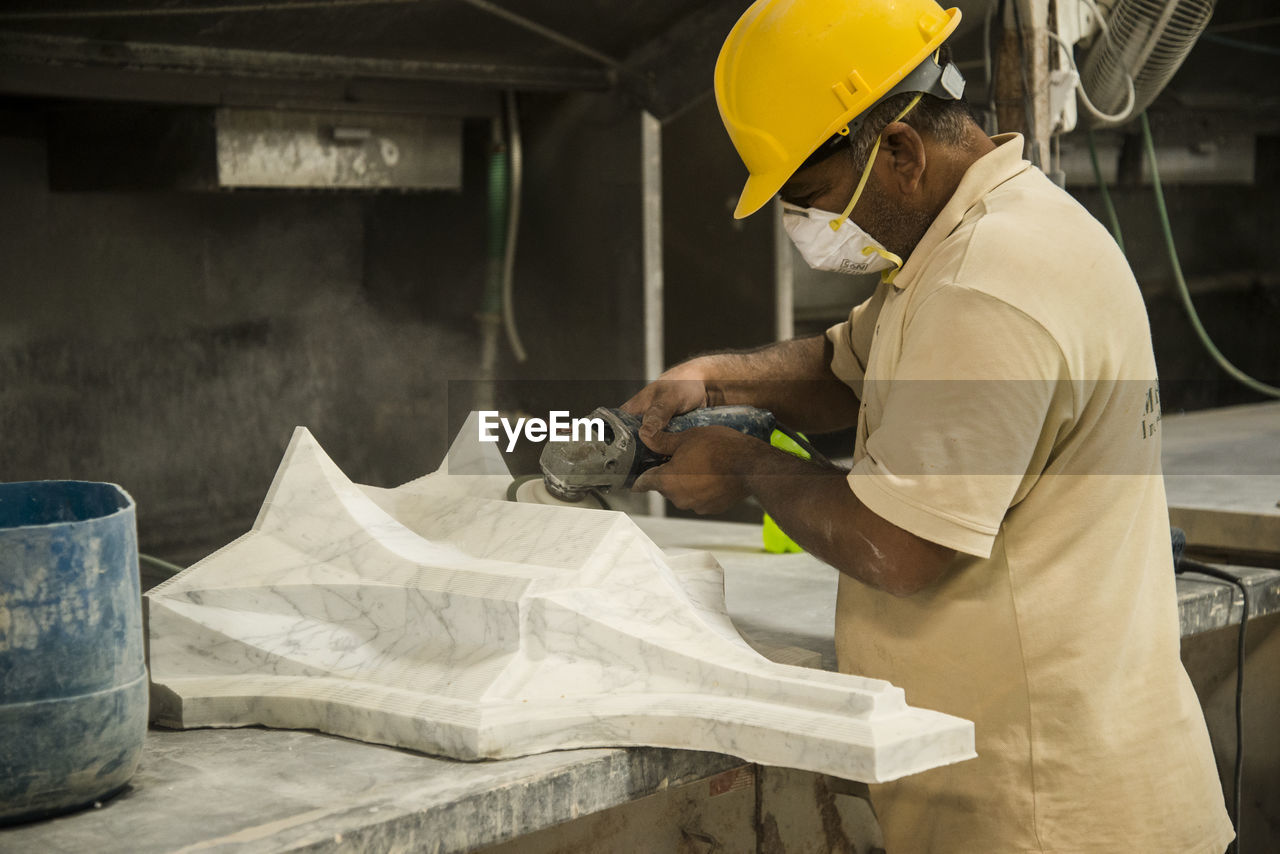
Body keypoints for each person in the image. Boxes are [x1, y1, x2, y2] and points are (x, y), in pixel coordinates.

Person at [622, 0, 1235, 851]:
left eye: (809, 200)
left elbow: (900, 549)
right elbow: (847, 370)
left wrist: (744, 466)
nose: (808, 231)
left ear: (899, 151)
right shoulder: (975, 243)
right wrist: (714, 378)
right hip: (1049, 789)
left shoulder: (987, 283)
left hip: (1049, 814)